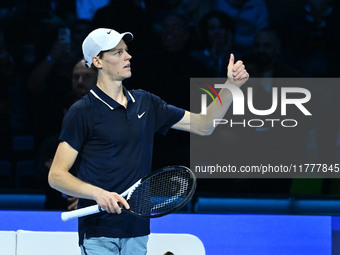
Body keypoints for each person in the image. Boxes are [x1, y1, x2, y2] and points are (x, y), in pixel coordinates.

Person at [48, 28, 248, 254]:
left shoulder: (146, 103)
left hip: (138, 230)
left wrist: (231, 86)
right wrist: (97, 193)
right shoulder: (82, 111)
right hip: (98, 232)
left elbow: (204, 125)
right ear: (97, 61)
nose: (128, 56)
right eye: (117, 52)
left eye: (126, 51)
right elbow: (56, 176)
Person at [38, 59, 97, 210]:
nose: (80, 82)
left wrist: (89, 198)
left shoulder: (111, 133)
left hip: (99, 210)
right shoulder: (54, 142)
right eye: (75, 77)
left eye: (86, 76)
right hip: (56, 211)